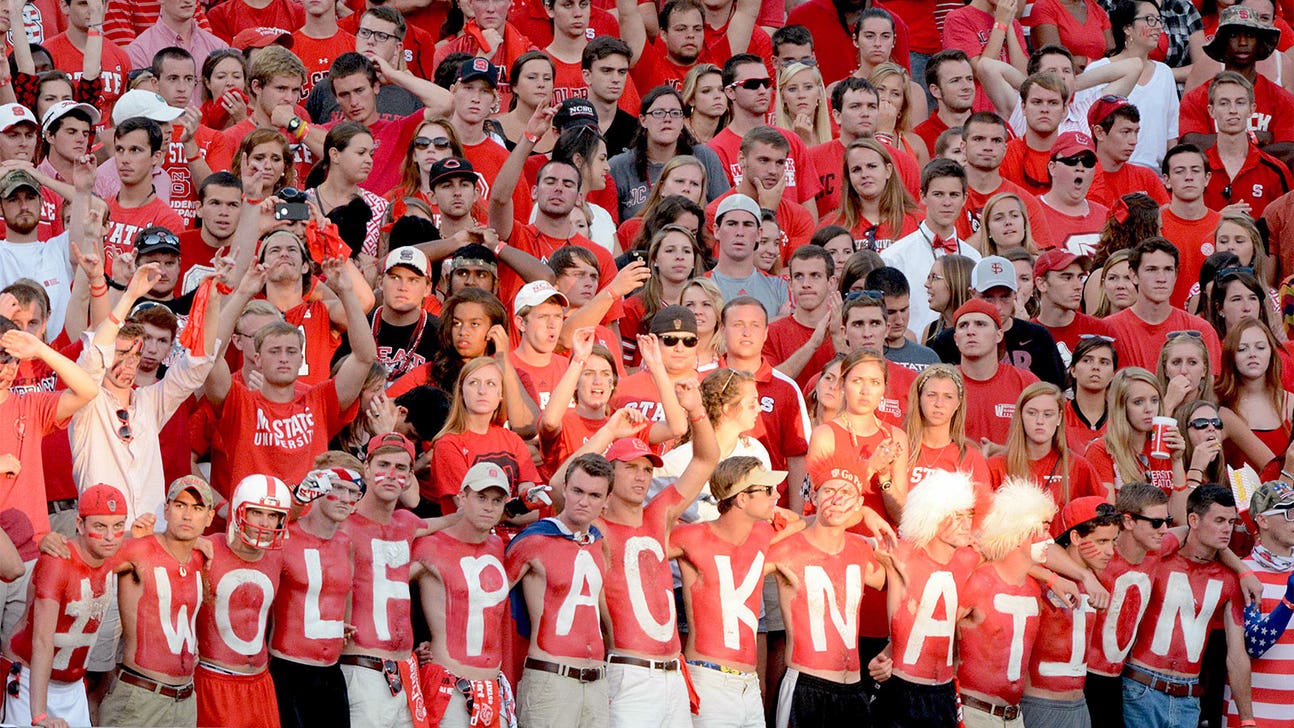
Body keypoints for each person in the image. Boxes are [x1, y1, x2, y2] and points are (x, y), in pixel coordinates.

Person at [204, 254, 376, 494]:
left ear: (301, 359)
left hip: (306, 516)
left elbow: (365, 357)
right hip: (253, 513)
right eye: (274, 351)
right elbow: (210, 357)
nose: (284, 357)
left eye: (291, 351)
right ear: (257, 358)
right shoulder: (240, 402)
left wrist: (346, 291)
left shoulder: (319, 400)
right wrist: (243, 293)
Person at [669, 456, 795, 728]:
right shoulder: (692, 536)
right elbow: (640, 543)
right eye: (767, 490)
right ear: (742, 499)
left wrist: (866, 514)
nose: (776, 495)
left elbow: (803, 523)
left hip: (749, 684)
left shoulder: (762, 533)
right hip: (709, 680)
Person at [1122, 485, 1253, 727]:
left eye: (1231, 522)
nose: (1227, 529)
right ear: (1193, 520)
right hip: (1141, 687)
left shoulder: (1229, 580)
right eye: (1219, 520)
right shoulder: (1159, 560)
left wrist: (1247, 719)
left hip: (1189, 698)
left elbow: (1237, 655)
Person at [769, 460, 888, 725]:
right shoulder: (788, 548)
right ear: (813, 496)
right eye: (829, 491)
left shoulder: (860, 548)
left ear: (858, 503)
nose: (837, 499)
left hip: (854, 688)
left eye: (846, 493)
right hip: (806, 686)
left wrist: (892, 651)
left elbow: (905, 582)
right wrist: (801, 521)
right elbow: (742, 556)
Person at [0, 485, 126, 728]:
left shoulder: (115, 552)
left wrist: (200, 544)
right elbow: (42, 640)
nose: (110, 536)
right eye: (100, 526)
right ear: (80, 524)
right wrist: (39, 715)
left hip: (73, 686)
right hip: (28, 681)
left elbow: (160, 544)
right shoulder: (58, 562)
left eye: (118, 525)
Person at [505, 453, 614, 728]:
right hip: (550, 678)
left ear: (606, 500)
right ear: (564, 488)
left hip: (597, 681)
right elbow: (489, 601)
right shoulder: (535, 539)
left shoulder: (599, 543)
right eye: (577, 491)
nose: (583, 501)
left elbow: (601, 610)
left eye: (594, 495)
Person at [98, 476, 216, 727]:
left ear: (209, 517)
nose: (187, 515)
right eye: (180, 505)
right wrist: (128, 535)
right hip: (140, 698)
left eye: (197, 508)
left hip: (185, 700)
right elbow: (89, 558)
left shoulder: (200, 557)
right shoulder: (139, 550)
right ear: (166, 509)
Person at [411, 462, 513, 728]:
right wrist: (412, 645)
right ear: (462, 497)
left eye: (497, 500)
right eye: (481, 497)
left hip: (491, 687)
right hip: (449, 685)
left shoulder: (497, 546)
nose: (489, 507)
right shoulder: (430, 545)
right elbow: (385, 588)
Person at [872, 470, 979, 726]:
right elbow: (839, 545)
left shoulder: (968, 558)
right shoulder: (901, 554)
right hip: (902, 689)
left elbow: (1020, 551)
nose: (966, 524)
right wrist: (865, 513)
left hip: (944, 692)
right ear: (932, 515)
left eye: (969, 515)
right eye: (956, 516)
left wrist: (1054, 579)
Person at [334, 433, 426, 728]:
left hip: (404, 673)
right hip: (362, 669)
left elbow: (457, 527)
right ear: (366, 468)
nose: (391, 474)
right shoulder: (342, 522)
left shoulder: (408, 523)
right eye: (383, 465)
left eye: (400, 468)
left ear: (410, 477)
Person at [955, 478, 1057, 727]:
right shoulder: (978, 582)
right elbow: (937, 635)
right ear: (1020, 533)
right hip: (973, 713)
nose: (1051, 539)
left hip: (1014, 716)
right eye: (1043, 529)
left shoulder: (1034, 589)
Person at [192, 474, 291, 728]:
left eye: (273, 515)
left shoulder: (278, 557)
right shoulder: (206, 549)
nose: (265, 523)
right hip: (215, 678)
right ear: (238, 510)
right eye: (257, 512)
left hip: (261, 682)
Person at [268, 464, 361, 728]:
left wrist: (338, 624)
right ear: (317, 488)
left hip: (331, 671)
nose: (344, 498)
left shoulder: (345, 543)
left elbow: (344, 591)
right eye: (337, 488)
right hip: (288, 667)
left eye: (353, 492)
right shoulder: (285, 537)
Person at [1019, 497, 1121, 727]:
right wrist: (1081, 576)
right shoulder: (1043, 574)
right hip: (1041, 705)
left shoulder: (1096, 576)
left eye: (1113, 541)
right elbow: (1025, 553)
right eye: (1101, 541)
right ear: (1075, 537)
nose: (1110, 551)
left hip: (1080, 704)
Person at [721, 296, 814, 512]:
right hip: (708, 507)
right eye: (738, 325)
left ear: (765, 333)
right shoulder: (703, 380)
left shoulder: (786, 388)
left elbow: (798, 457)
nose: (746, 332)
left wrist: (797, 515)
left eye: (755, 325)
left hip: (769, 509)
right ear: (722, 330)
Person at [706, 54, 821, 215]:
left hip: (794, 230)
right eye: (752, 84)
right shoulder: (716, 150)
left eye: (766, 83)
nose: (762, 90)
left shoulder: (792, 140)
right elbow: (722, 212)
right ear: (730, 92)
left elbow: (808, 209)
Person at [429, 356, 542, 514]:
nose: (482, 391)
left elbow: (534, 511)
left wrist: (515, 510)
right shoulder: (448, 445)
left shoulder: (513, 440)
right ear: (461, 392)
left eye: (491, 384)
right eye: (474, 383)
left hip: (519, 531)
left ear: (500, 394)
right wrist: (516, 509)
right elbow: (469, 510)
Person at [882, 158, 980, 338]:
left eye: (954, 195)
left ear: (965, 198)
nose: (947, 202)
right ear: (923, 196)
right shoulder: (894, 257)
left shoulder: (974, 257)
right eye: (938, 194)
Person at [1224, 480, 1294, 725]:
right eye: (1289, 513)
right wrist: (1289, 601)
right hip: (1253, 717)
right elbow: (1252, 645)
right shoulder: (1242, 574)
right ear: (1263, 520)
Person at [1180, 5, 1294, 148]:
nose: (1243, 42)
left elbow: (1289, 151)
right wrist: (1253, 138)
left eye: (1250, 35)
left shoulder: (1282, 99)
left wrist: (1221, 144)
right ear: (1221, 43)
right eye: (1233, 35)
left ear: (1260, 43)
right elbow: (1190, 143)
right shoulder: (1197, 99)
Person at [1085, 0, 1180, 171]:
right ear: (1127, 28)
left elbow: (1171, 135)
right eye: (1150, 20)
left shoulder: (1164, 73)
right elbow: (1083, 126)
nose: (1158, 27)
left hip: (1154, 176)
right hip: (1108, 172)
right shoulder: (1098, 70)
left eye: (1159, 20)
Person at [609, 86, 727, 222]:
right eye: (658, 113)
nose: (667, 119)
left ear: (683, 121)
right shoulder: (619, 167)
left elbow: (725, 211)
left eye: (675, 113)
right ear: (643, 120)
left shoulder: (704, 157)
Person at [1105, 238, 1223, 372]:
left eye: (1168, 269)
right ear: (1134, 275)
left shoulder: (1200, 330)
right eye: (1151, 269)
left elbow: (1211, 383)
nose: (1161, 278)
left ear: (1176, 274)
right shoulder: (1108, 330)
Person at [989, 382, 1106, 511]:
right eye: (1032, 413)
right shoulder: (995, 467)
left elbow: (1104, 514)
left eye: (1048, 414)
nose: (1040, 421)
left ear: (1059, 418)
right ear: (1020, 416)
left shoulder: (1079, 467)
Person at [1085, 368, 1188, 512]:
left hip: (1164, 526)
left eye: (1154, 400)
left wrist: (1177, 461)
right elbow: (1108, 518)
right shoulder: (1101, 450)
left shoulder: (1164, 447)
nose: (1149, 409)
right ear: (1121, 407)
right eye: (1138, 402)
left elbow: (1180, 518)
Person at [950, 299, 1040, 448]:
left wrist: (1004, 454)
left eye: (980, 324)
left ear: (999, 335)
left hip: (1013, 463)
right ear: (956, 339)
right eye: (963, 325)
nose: (970, 331)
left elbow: (1045, 442)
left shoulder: (1026, 383)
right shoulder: (943, 384)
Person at [1202, 71, 1293, 217]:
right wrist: (1216, 220)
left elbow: (1287, 224)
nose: (1232, 110)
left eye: (1240, 103)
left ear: (1251, 109)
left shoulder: (1276, 171)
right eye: (1224, 103)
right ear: (1211, 111)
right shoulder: (1196, 169)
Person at [1216, 318, 1294, 471]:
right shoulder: (1218, 402)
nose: (1252, 354)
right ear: (1231, 355)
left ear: (1271, 352)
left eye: (1260, 347)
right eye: (1242, 349)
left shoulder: (1290, 403)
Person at [761, 245, 841, 390]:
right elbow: (769, 383)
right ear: (790, 284)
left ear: (831, 283)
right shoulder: (771, 333)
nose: (806, 284)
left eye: (815, 276)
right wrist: (813, 344)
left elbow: (860, 375)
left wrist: (837, 337)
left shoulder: (847, 330)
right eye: (799, 276)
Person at [1158, 144, 1224, 308]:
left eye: (1195, 170)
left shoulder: (1224, 226)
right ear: (1166, 180)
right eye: (1179, 171)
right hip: (1161, 317)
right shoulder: (1154, 225)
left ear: (1207, 178)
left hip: (1210, 318)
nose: (1188, 177)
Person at [1086, 96, 1171, 208]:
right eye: (1125, 132)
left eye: (1136, 132)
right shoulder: (1081, 179)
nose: (1133, 141)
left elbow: (1166, 217)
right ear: (1099, 132)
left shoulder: (1147, 178)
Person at [1033, 249, 1115, 365]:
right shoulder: (1025, 336)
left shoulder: (1101, 331)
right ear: (1041, 284)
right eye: (1067, 278)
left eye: (1080, 278)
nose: (1078, 286)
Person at [1038, 131, 1109, 255]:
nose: (1080, 168)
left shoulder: (1106, 216)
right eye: (1071, 161)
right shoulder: (1032, 211)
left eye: (1088, 162)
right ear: (1052, 167)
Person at [865, 266, 940, 370]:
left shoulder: (929, 358)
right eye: (891, 312)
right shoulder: (860, 357)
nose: (899, 320)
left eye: (904, 310)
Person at [1066, 335, 1117, 452]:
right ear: (1073, 370)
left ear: (1113, 374)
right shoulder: (1058, 415)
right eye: (1087, 360)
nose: (1095, 367)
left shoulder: (1122, 419)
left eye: (1104, 362)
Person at [919, 253, 976, 344]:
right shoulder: (930, 331)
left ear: (956, 282)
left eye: (934, 277)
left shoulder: (978, 332)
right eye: (928, 277)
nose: (926, 284)